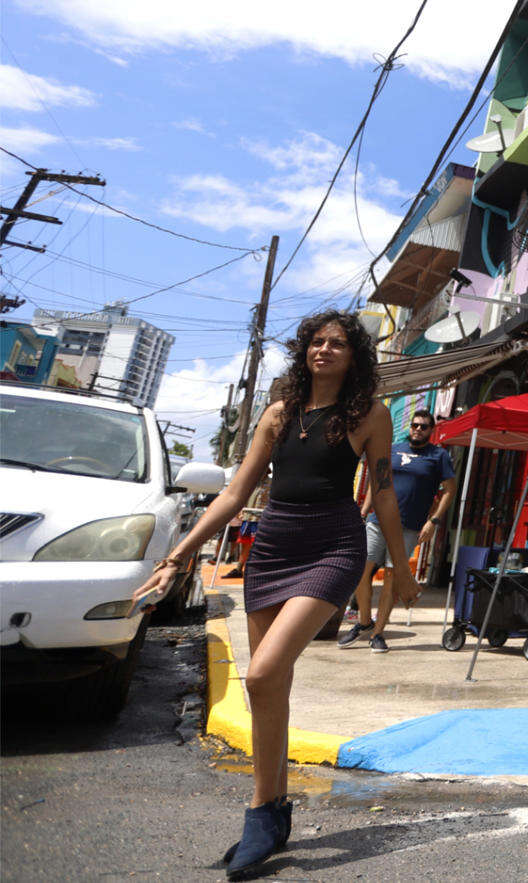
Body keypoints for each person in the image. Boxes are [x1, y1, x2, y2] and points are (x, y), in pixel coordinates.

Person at [134, 310, 419, 880]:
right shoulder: (279, 414)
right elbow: (235, 494)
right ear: (304, 351)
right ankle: (271, 813)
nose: (325, 350)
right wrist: (177, 556)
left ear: (354, 356)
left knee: (261, 675)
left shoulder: (369, 414)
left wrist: (402, 569)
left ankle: (261, 810)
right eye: (317, 341)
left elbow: (383, 494)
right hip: (274, 546)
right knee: (272, 689)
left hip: (334, 546)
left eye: (338, 343)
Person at [338, 408, 456, 653]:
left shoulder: (438, 456)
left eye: (424, 426)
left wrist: (432, 522)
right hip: (377, 520)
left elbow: (449, 490)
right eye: (415, 425)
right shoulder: (392, 449)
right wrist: (363, 511)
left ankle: (378, 633)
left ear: (431, 431)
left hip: (409, 526)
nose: (418, 429)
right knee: (361, 571)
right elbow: (377, 483)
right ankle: (363, 622)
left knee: (392, 579)